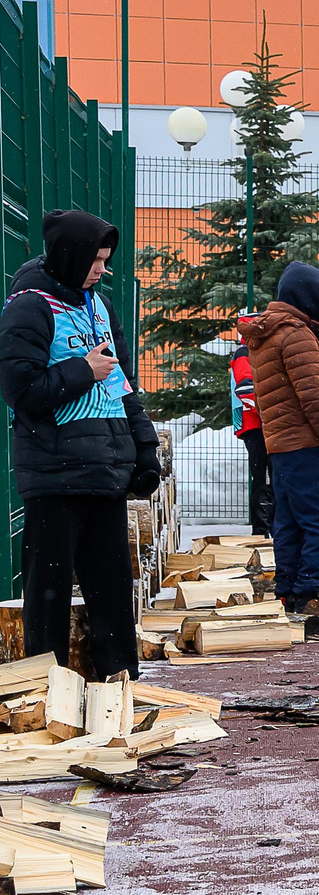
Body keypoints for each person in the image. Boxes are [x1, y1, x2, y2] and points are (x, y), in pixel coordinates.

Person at [0, 209, 156, 677]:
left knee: (111, 593)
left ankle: (120, 689)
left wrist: (143, 447)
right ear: (71, 256)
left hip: (105, 473)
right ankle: (43, 694)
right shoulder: (29, 306)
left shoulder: (100, 306)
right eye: (96, 260)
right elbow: (19, 389)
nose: (102, 270)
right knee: (47, 598)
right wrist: (82, 370)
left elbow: (124, 382)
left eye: (106, 261)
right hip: (54, 477)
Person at [239, 261, 319, 629]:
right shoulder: (296, 334)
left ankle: (288, 589)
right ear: (305, 299)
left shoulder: (266, 332)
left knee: (290, 521)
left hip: (281, 445)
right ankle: (311, 596)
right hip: (306, 444)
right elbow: (316, 399)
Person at [227, 314, 275, 538]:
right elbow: (246, 388)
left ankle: (267, 527)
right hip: (257, 424)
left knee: (266, 477)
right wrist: (270, 412)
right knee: (264, 478)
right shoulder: (246, 353)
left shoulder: (248, 352)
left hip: (255, 422)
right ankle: (263, 529)